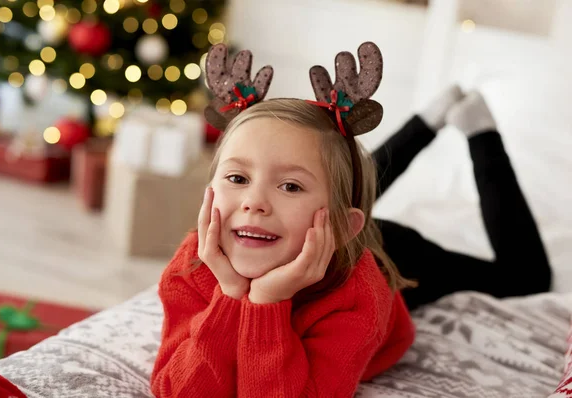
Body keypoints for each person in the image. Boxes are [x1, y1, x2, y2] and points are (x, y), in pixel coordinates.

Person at [150, 42, 417, 397]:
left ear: (341, 226)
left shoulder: (358, 297)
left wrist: (266, 301)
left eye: (290, 186)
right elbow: (177, 391)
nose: (254, 203)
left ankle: (439, 125)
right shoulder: (195, 263)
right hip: (321, 233)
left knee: (504, 273)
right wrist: (230, 293)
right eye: (238, 178)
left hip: (394, 255)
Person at [372, 85, 553, 310]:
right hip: (370, 250)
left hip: (380, 261)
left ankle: (477, 133)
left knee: (528, 280)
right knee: (341, 201)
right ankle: (435, 124)